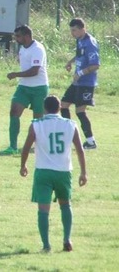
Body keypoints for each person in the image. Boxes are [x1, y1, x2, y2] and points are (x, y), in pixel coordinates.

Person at [20, 95, 87, 253]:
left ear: (44, 108)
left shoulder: (36, 125)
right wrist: (84, 172)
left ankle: (46, 245)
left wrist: (23, 165)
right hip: (63, 171)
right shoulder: (71, 124)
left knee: (43, 208)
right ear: (59, 108)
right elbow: (79, 150)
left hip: (43, 171)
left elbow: (26, 147)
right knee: (65, 205)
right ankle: (67, 239)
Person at [2, 25, 49, 154]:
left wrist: (16, 74)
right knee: (14, 112)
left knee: (38, 119)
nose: (15, 39)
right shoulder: (23, 47)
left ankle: (39, 146)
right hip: (24, 87)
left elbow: (35, 71)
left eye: (18, 36)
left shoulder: (37, 49)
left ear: (26, 36)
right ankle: (13, 147)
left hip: (39, 88)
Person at [61, 18, 100, 149]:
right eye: (71, 30)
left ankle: (91, 141)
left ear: (83, 29)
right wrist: (70, 62)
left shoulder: (90, 43)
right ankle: (67, 136)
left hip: (86, 83)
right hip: (77, 82)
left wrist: (81, 73)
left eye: (74, 30)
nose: (72, 33)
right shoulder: (80, 40)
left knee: (80, 111)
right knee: (64, 105)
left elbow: (95, 65)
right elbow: (79, 54)